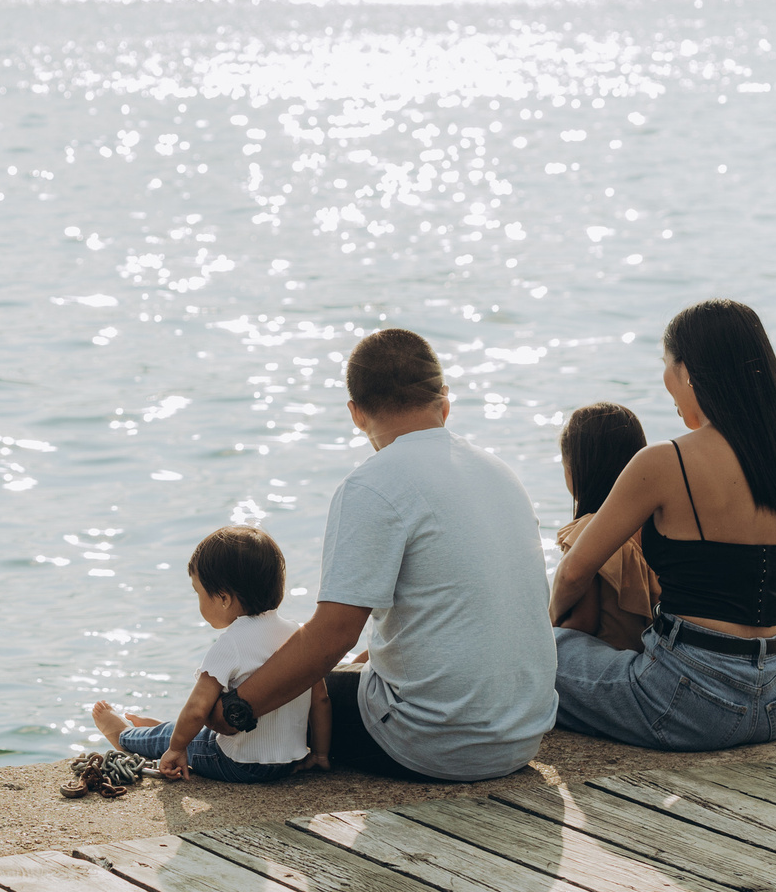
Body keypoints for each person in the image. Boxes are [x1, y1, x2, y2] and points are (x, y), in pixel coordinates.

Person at [217, 328, 556, 782]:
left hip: (435, 744)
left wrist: (237, 708)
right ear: (444, 401)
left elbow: (333, 634)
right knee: (327, 676)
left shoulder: (371, 484)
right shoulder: (500, 473)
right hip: (522, 735)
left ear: (356, 414)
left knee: (276, 703)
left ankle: (161, 737)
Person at [548, 298, 776, 749]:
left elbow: (575, 571)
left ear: (688, 371)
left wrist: (549, 629)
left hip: (688, 700)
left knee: (525, 653)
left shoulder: (664, 461)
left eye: (666, 365)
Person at [89, 525, 331, 783]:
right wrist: (319, 754)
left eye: (199, 592)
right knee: (188, 730)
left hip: (238, 763)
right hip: (287, 762)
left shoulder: (232, 643)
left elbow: (196, 710)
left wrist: (177, 750)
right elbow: (321, 700)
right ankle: (160, 728)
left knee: (177, 737)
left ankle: (123, 734)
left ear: (223, 598)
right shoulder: (299, 635)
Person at [553, 402, 660, 652]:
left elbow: (582, 623)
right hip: (647, 660)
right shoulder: (655, 528)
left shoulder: (590, 533)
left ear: (576, 469)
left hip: (605, 668)